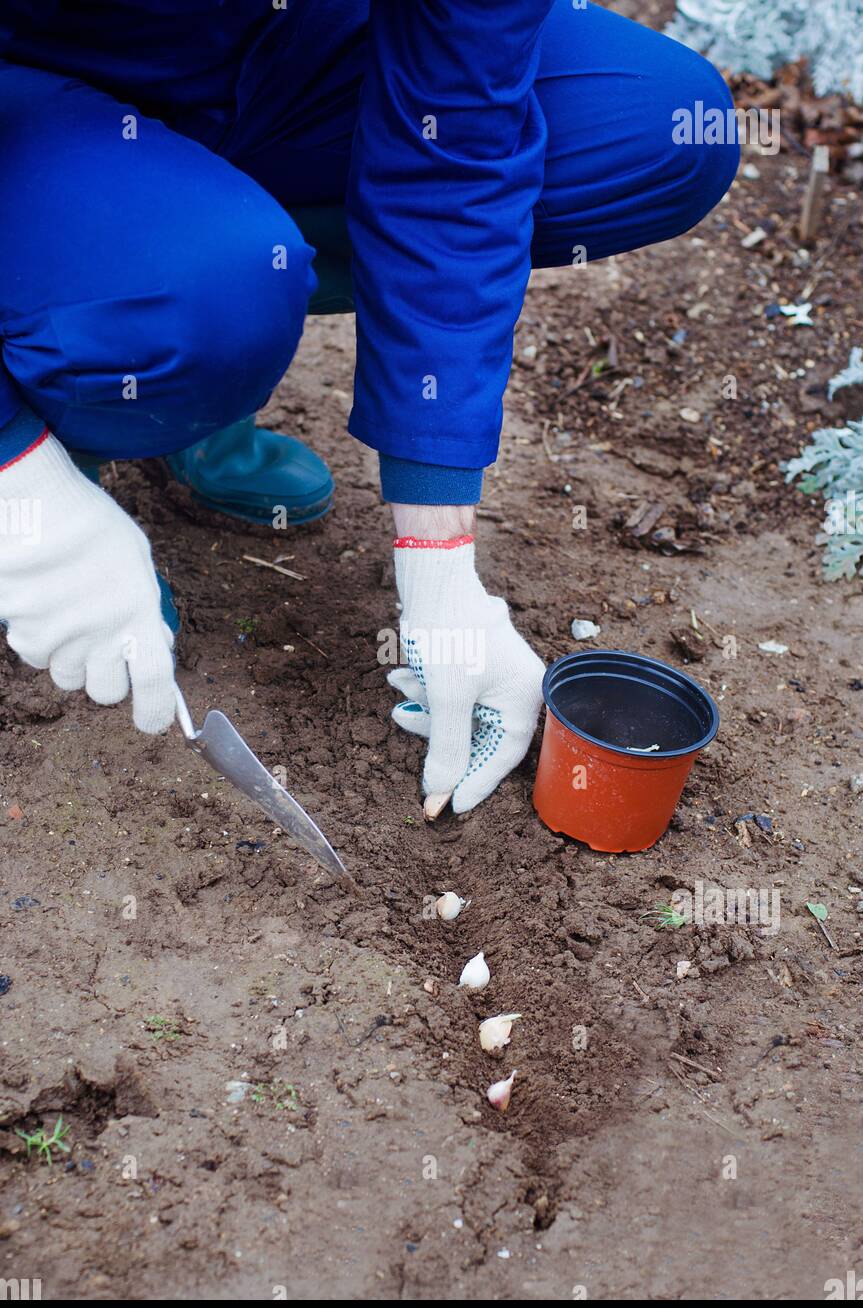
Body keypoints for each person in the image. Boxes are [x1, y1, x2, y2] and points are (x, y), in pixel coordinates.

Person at [0, 1, 738, 815]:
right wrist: (20, 488)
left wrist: (438, 566)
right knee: (203, 295)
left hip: (283, 51)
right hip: (34, 88)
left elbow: (457, 144)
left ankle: (197, 313)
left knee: (663, 124)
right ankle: (85, 386)